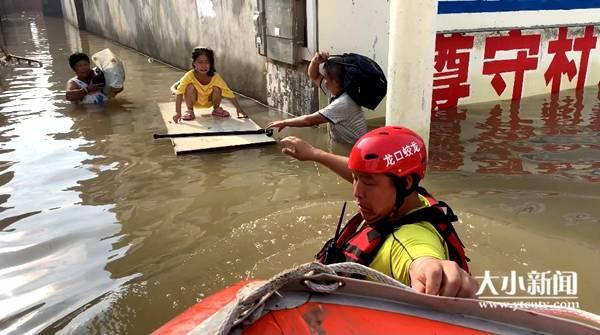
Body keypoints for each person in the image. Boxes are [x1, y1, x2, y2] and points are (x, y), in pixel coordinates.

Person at [280, 126, 478, 298]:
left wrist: (432, 270)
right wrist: (315, 153)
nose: (357, 192)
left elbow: (421, 258)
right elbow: (366, 174)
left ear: (405, 183)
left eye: (368, 182)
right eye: (356, 178)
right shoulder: (416, 198)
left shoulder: (410, 240)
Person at [266, 52, 368, 145]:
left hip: (354, 150)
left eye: (327, 79)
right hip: (343, 145)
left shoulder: (344, 103)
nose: (325, 82)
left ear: (336, 82)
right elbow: (314, 76)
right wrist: (315, 61)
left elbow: (309, 121)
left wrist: (284, 122)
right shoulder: (339, 90)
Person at [172, 47, 246, 122]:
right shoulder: (189, 75)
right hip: (194, 101)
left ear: (211, 63)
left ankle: (216, 109)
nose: (204, 65)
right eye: (200, 62)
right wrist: (178, 112)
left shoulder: (215, 76)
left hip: (210, 102)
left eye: (207, 62)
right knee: (189, 87)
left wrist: (238, 109)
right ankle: (190, 111)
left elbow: (228, 92)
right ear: (194, 63)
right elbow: (179, 92)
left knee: (217, 88)